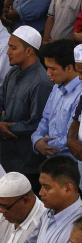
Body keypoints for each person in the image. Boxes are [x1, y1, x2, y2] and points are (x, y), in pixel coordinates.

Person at [0, 25, 52, 176]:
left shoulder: (41, 82)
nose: (8, 52)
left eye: (13, 48)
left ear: (29, 51)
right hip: (6, 150)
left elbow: (38, 123)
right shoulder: (13, 72)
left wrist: (6, 128)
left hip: (25, 158)